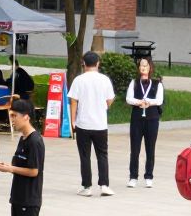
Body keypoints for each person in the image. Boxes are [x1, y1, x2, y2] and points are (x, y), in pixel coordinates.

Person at [68, 51, 115, 196]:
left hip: (83, 124)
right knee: (102, 155)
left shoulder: (79, 80)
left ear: (83, 63)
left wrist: (73, 121)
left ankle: (87, 186)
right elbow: (110, 99)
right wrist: (104, 107)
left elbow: (73, 101)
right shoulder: (105, 80)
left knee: (84, 156)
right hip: (100, 124)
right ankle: (104, 185)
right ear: (98, 63)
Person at [126, 57, 164, 189]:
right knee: (134, 148)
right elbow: (128, 98)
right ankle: (133, 177)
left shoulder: (157, 83)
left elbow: (159, 100)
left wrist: (149, 102)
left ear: (150, 68)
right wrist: (138, 102)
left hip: (152, 118)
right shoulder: (134, 82)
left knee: (150, 148)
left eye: (145, 66)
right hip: (137, 118)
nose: (143, 68)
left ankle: (149, 176)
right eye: (141, 66)